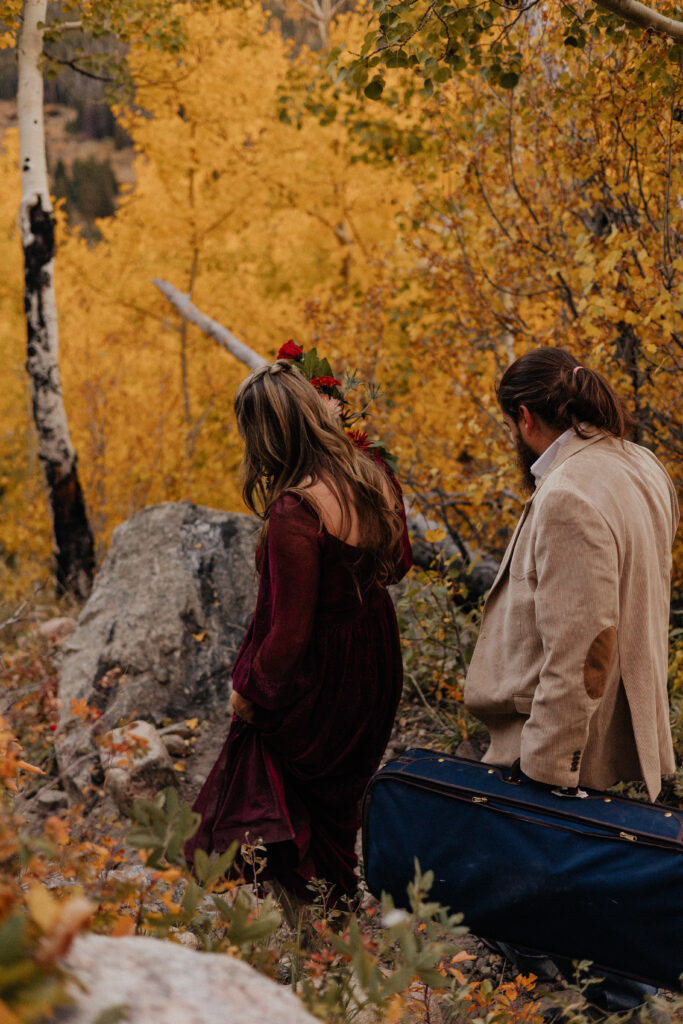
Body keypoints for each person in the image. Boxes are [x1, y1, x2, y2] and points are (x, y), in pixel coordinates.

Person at [464, 346, 679, 1014]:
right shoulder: (637, 462)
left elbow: (580, 648)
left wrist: (544, 771)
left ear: (524, 416)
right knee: (596, 913)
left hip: (574, 742)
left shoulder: (567, 493)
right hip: (627, 729)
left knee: (533, 913)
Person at [185, 358, 412, 916]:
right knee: (336, 802)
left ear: (263, 434)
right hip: (376, 659)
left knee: (276, 792)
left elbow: (290, 635)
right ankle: (336, 922)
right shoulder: (372, 474)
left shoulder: (297, 509)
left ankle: (319, 937)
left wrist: (252, 698)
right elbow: (399, 565)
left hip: (323, 677)